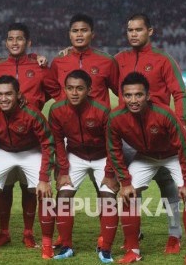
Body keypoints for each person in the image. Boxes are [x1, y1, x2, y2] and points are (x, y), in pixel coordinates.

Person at [115, 13, 186, 253]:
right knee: (127, 187)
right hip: (128, 135)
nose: (133, 34)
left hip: (160, 134)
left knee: (168, 186)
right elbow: (93, 79)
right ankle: (134, 233)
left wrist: (180, 126)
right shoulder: (118, 60)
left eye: (138, 29)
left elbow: (180, 94)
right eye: (130, 30)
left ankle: (174, 234)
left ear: (150, 31)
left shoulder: (162, 59)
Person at [106, 72, 186, 265]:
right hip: (146, 157)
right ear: (122, 96)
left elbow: (184, 147)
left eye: (138, 95)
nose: (133, 100)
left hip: (172, 155)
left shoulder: (164, 113)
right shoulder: (116, 118)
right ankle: (133, 250)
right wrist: (125, 182)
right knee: (128, 194)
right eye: (128, 95)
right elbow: (114, 150)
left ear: (148, 95)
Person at [0, 22, 60, 249]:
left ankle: (29, 233)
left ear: (28, 43)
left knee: (32, 189)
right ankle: (4, 232)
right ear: (6, 42)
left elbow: (54, 93)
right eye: (10, 39)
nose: (14, 43)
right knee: (4, 189)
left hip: (33, 142)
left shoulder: (40, 67)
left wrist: (34, 107)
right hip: (3, 143)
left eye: (19, 39)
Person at [49, 13, 119, 249]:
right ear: (69, 34)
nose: (79, 34)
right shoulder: (59, 62)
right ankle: (64, 237)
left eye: (83, 30)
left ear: (92, 33)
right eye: (74, 31)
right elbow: (48, 88)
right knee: (64, 191)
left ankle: (105, 238)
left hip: (102, 137)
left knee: (105, 193)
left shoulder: (107, 61)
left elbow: (125, 92)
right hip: (72, 139)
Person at [0, 76, 55, 259]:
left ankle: (45, 243)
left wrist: (44, 178)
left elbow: (48, 144)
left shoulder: (32, 114)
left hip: (30, 151)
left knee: (45, 193)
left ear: (18, 94)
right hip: (3, 151)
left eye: (8, 94)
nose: (4, 98)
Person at [48, 69, 117, 262]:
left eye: (79, 88)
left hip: (102, 156)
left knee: (108, 197)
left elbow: (113, 145)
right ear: (65, 89)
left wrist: (110, 173)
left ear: (89, 89)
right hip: (75, 155)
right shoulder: (57, 110)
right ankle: (66, 246)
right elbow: (58, 141)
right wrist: (62, 170)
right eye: (70, 88)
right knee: (63, 195)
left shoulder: (102, 111)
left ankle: (106, 248)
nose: (74, 93)